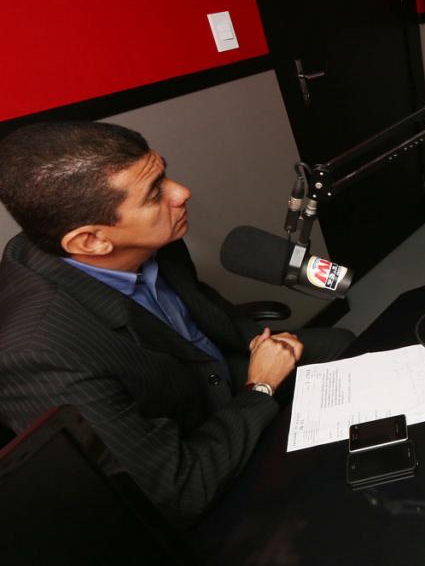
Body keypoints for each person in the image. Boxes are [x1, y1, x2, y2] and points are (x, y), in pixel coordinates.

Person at [0, 121, 355, 527]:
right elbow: (179, 490)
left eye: (163, 173)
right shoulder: (40, 352)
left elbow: (199, 304)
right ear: (91, 241)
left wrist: (260, 344)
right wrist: (261, 387)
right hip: (187, 434)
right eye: (155, 193)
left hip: (216, 370)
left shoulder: (152, 235)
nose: (181, 192)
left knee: (341, 345)